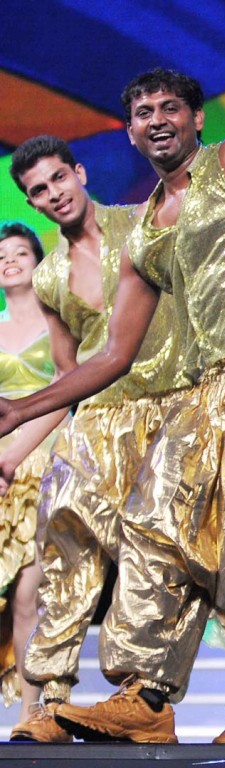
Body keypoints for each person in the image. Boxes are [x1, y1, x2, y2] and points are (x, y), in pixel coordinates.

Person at [0, 3, 225, 744]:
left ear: (194, 119)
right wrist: (21, 409)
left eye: (169, 108)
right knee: (153, 522)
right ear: (130, 132)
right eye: (143, 112)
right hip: (209, 389)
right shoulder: (147, 232)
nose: (156, 120)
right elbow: (111, 357)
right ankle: (147, 698)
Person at [3, 135, 188, 744]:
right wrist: (17, 449)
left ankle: (143, 701)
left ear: (79, 173)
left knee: (157, 558)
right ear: (32, 202)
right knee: (65, 544)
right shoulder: (49, 276)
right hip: (98, 421)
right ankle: (51, 701)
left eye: (59, 178)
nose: (53, 193)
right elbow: (66, 376)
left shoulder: (142, 223)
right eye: (38, 190)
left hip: (168, 412)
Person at [0, 222, 64, 727]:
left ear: (39, 263)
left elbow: (68, 392)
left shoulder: (57, 322)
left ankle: (31, 714)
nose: (9, 261)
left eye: (20, 252)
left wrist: (19, 455)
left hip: (45, 463)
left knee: (28, 596)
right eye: (1, 255)